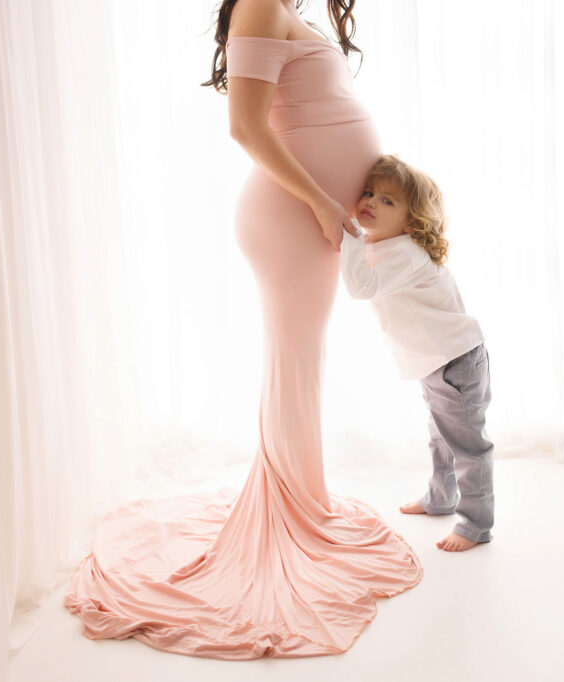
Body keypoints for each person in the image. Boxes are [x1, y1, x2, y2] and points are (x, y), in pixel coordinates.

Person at [63, 0, 422, 660]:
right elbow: (246, 128)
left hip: (313, 217)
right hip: (291, 216)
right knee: (295, 363)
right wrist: (318, 197)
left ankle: (300, 504)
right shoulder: (260, 4)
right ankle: (292, 517)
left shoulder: (286, 9)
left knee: (302, 364)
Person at [340, 154, 495, 552]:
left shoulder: (406, 253)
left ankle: (476, 525)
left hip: (454, 360)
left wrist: (347, 234)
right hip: (437, 361)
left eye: (388, 201)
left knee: (467, 447)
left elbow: (361, 287)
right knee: (440, 437)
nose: (371, 201)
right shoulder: (388, 246)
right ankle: (440, 498)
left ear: (411, 221)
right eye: (370, 193)